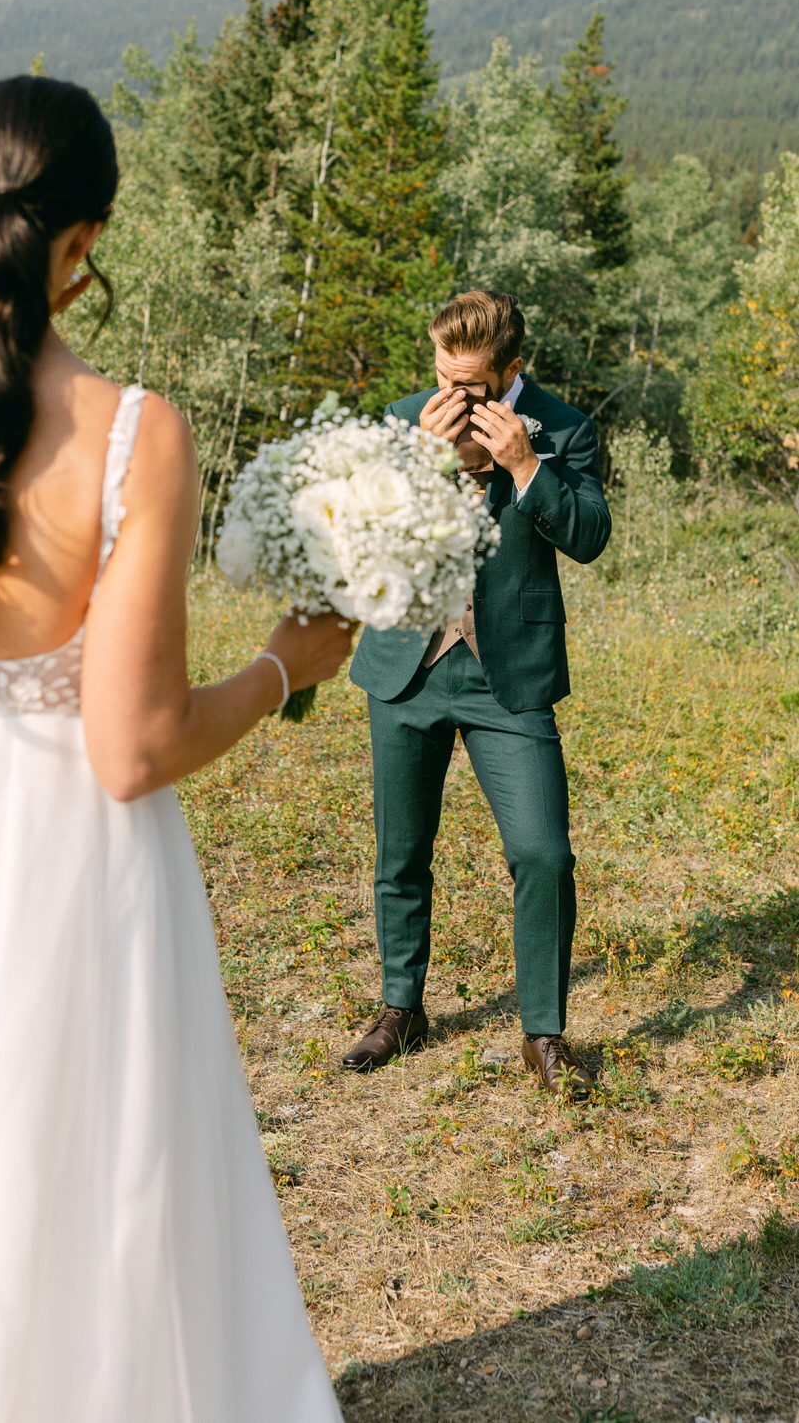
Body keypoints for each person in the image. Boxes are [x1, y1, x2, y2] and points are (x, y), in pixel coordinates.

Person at [0, 75, 352, 1423]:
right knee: (55, 1177)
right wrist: (287, 664)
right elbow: (131, 749)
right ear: (85, 243)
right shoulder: (127, 434)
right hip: (58, 859)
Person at [344, 291, 611, 1092]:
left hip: (510, 677)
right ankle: (400, 1006)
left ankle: (543, 1033)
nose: (454, 399)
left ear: (512, 370)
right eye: (442, 378)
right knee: (401, 852)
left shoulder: (563, 428)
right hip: (407, 667)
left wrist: (527, 466)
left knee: (543, 854)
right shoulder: (401, 421)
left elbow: (590, 537)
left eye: (473, 386)